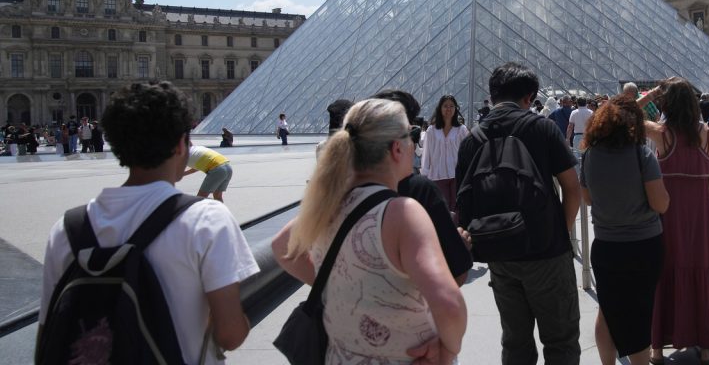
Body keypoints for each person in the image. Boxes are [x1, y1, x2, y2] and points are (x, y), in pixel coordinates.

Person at [38, 82, 258, 364]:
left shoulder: (67, 229)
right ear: (181, 143)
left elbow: (47, 335)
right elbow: (230, 335)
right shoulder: (207, 221)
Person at [281, 98, 467, 363]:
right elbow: (449, 304)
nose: (414, 142)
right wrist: (447, 349)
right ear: (396, 149)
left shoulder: (327, 205)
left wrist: (342, 287)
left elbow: (281, 247)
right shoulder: (404, 212)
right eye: (411, 135)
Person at [455, 62, 582, 364]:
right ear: (530, 97)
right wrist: (560, 233)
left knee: (515, 342)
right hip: (547, 252)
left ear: (492, 94)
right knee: (561, 341)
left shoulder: (472, 139)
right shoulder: (541, 127)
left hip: (499, 250)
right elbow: (572, 188)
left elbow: (463, 198)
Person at [579, 94, 669, 365]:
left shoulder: (589, 156)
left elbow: (588, 198)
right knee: (639, 312)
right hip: (642, 245)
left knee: (607, 311)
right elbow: (660, 203)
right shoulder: (641, 154)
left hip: (605, 246)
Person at [645, 78, 709, 365]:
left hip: (668, 216)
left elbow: (622, 113)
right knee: (703, 273)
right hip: (701, 217)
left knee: (665, 273)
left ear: (666, 105)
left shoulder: (661, 133)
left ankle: (656, 349)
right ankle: (705, 349)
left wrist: (653, 93)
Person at [422, 94, 470, 210]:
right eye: (445, 106)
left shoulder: (461, 129)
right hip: (437, 175)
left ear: (456, 109)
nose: (448, 109)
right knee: (441, 208)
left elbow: (467, 152)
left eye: (451, 106)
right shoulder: (431, 130)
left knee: (458, 207)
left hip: (457, 175)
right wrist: (425, 173)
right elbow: (427, 153)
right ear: (440, 108)